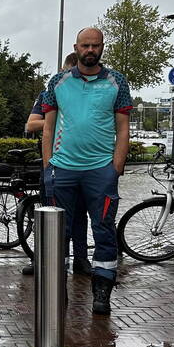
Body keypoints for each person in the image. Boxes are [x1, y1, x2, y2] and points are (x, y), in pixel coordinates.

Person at [41, 27, 132, 315]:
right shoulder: (58, 82)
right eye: (85, 45)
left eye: (95, 45)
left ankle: (102, 290)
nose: (90, 50)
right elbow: (48, 128)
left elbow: (123, 129)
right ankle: (57, 290)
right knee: (58, 233)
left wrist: (115, 169)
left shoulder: (117, 82)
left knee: (103, 230)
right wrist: (48, 167)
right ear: (76, 48)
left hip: (100, 171)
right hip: (63, 170)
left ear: (102, 47)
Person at [21, 52, 90, 277]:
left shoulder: (88, 95)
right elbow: (31, 125)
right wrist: (58, 119)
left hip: (82, 163)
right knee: (50, 214)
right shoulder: (48, 94)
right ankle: (43, 259)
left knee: (80, 214)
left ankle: (81, 259)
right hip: (55, 164)